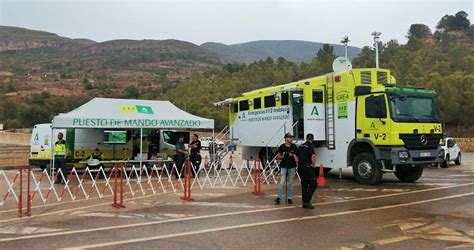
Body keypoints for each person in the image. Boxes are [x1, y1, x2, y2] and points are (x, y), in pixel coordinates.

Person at [274, 133, 298, 205]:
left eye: (292, 137)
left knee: (290, 183)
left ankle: (289, 198)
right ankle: (278, 197)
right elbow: (278, 157)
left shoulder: (294, 147)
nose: (291, 139)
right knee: (282, 182)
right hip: (284, 166)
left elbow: (297, 159)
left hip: (292, 166)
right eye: (290, 137)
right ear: (286, 139)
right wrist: (283, 156)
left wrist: (292, 155)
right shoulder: (282, 147)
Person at [297, 133, 317, 209]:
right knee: (313, 184)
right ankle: (307, 200)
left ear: (306, 138)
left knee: (304, 185)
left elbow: (296, 155)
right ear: (313, 139)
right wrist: (313, 164)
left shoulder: (301, 146)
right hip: (308, 168)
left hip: (300, 167)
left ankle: (304, 202)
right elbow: (313, 156)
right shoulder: (310, 146)